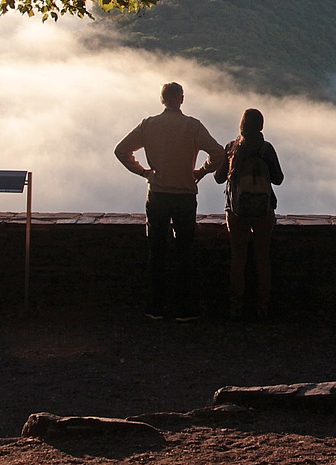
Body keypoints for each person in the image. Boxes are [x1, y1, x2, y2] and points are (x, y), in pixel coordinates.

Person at [115, 82, 225, 322]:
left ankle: (155, 306)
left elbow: (121, 150)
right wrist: (201, 172)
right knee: (185, 252)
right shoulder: (192, 126)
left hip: (158, 194)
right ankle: (185, 308)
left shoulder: (148, 125)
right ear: (181, 99)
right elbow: (219, 154)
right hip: (185, 194)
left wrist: (144, 172)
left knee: (157, 250)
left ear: (162, 100)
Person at [214, 108, 284, 320]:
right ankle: (263, 307)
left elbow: (218, 178)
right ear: (261, 126)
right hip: (263, 211)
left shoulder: (232, 147)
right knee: (263, 258)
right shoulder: (267, 149)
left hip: (236, 211)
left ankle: (236, 307)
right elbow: (278, 179)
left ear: (241, 125)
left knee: (238, 259)